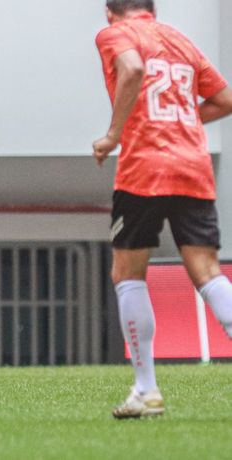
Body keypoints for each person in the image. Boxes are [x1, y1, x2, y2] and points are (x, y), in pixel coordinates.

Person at [93, 0, 232, 418]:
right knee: (208, 272)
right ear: (151, 7)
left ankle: (146, 390)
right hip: (193, 166)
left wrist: (114, 134)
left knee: (127, 274)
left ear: (109, 11)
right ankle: (144, 392)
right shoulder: (180, 41)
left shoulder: (115, 34)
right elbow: (224, 99)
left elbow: (132, 68)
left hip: (144, 170)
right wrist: (179, 120)